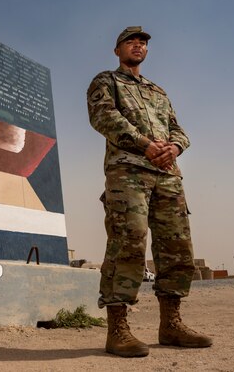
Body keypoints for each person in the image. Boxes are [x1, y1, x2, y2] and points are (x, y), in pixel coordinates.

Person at [86, 26, 212, 358]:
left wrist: (175, 148)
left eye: (142, 42)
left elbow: (177, 128)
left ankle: (171, 324)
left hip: (168, 175)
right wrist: (145, 144)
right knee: (129, 241)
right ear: (117, 50)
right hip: (128, 171)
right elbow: (104, 117)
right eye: (131, 41)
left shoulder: (158, 92)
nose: (138, 45)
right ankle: (117, 330)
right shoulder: (106, 82)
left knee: (177, 247)